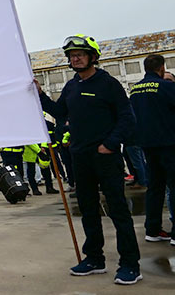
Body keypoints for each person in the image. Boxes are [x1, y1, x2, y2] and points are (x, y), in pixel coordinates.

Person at [37, 34, 141, 285]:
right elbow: (59, 111)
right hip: (80, 157)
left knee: (118, 211)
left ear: (93, 57)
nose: (75, 58)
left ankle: (130, 264)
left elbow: (128, 118)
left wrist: (110, 144)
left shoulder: (108, 84)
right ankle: (94, 258)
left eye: (80, 54)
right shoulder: (72, 85)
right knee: (88, 210)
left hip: (105, 157)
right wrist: (39, 95)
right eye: (72, 55)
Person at [128, 54, 175, 244]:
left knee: (155, 187)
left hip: (147, 145)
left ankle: (153, 229)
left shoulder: (135, 90)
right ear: (161, 68)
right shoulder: (166, 86)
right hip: (169, 143)